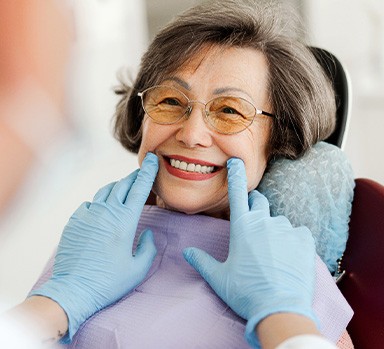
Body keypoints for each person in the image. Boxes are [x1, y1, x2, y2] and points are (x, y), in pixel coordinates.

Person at [4, 0, 354, 348]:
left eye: (230, 110)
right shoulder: (91, 244)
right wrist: (55, 303)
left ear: (278, 140)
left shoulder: (290, 272)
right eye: (170, 101)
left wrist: (281, 315)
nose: (190, 134)